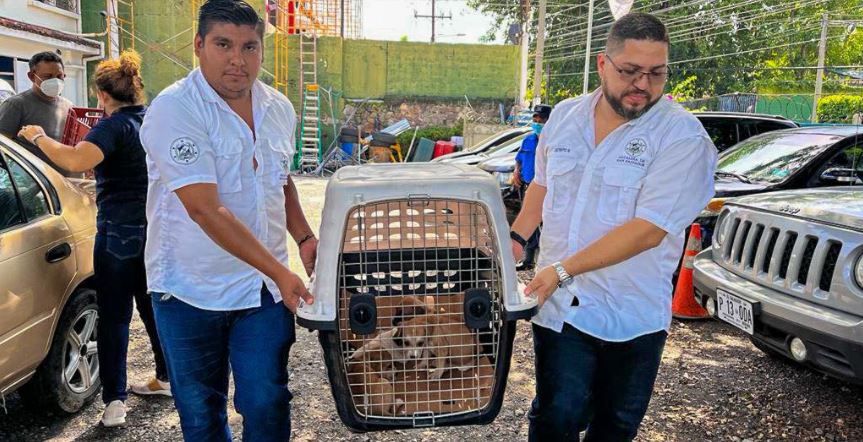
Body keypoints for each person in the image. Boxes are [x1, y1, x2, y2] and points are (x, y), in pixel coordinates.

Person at [509, 13, 717, 441]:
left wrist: (562, 269)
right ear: (603, 64)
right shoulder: (564, 119)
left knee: (614, 427)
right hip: (561, 307)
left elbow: (649, 229)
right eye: (630, 71)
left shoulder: (682, 138)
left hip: (632, 314)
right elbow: (541, 188)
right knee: (556, 416)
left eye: (656, 73)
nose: (643, 84)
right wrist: (514, 239)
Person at [139, 1, 317, 440]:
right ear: (199, 46)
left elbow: (279, 180)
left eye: (250, 47)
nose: (238, 59)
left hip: (261, 294)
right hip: (188, 290)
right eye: (224, 44)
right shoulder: (175, 109)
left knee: (267, 401)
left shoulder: (279, 108)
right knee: (201, 414)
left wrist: (305, 237)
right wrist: (280, 270)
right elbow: (204, 209)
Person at [17, 50, 170, 428]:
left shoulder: (112, 126)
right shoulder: (151, 121)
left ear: (103, 95)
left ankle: (115, 401)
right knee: (153, 309)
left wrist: (38, 137)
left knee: (115, 318)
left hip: (118, 235)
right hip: (153, 232)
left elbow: (73, 159)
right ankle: (167, 378)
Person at [0, 51, 77, 176]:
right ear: (32, 76)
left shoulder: (69, 107)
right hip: (33, 186)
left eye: (59, 76)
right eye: (48, 76)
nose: (55, 81)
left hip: (66, 183)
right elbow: (3, 148)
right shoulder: (15, 105)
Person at [512, 104, 551, 271]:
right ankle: (528, 259)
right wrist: (516, 173)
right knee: (529, 224)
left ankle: (547, 261)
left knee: (546, 225)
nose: (537, 122)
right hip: (527, 186)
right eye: (535, 119)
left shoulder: (554, 141)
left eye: (541, 120)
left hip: (547, 190)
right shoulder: (528, 139)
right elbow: (519, 158)